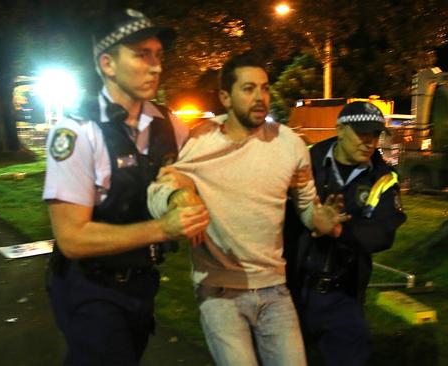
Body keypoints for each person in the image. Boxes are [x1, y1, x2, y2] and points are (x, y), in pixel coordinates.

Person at [147, 51, 347, 366]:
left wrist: (319, 219)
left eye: (265, 88)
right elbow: (160, 187)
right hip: (219, 289)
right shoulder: (202, 139)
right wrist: (177, 200)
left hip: (274, 288)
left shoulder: (290, 144)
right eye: (248, 88)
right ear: (225, 97)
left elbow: (307, 205)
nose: (260, 97)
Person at [42, 8, 210, 365]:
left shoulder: (170, 125)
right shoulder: (76, 133)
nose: (156, 66)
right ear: (107, 63)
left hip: (142, 285)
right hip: (91, 287)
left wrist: (185, 186)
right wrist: (162, 228)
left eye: (158, 55)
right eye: (140, 55)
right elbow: (72, 238)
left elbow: (203, 166)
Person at [284, 102, 407, 366]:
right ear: (340, 130)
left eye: (375, 134)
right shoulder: (305, 161)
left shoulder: (383, 179)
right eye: (362, 133)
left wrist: (338, 230)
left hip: (343, 296)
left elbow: (383, 233)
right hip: (290, 288)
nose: (370, 142)